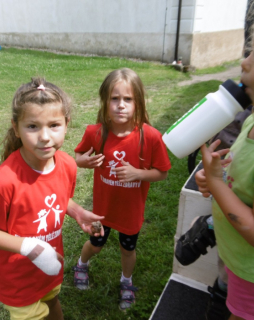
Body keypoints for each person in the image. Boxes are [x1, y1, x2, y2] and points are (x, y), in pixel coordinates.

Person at [0, 77, 104, 320]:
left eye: (53, 125)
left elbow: (56, 199)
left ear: (67, 124)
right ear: (16, 127)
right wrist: (28, 247)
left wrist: (76, 211)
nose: (44, 136)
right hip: (16, 278)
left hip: (48, 268)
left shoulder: (66, 165)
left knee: (52, 300)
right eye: (32, 126)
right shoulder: (2, 182)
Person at [195, 1, 254, 318]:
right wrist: (215, 179)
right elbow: (238, 182)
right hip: (238, 260)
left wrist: (218, 184)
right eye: (250, 52)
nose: (244, 63)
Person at [72, 68, 171, 310]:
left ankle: (126, 281)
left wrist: (138, 173)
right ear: (105, 101)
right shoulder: (95, 132)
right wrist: (82, 161)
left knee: (128, 250)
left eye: (128, 99)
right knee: (94, 243)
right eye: (114, 99)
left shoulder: (151, 136)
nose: (120, 105)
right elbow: (77, 155)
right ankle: (81, 264)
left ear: (138, 102)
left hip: (130, 212)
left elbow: (163, 172)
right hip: (101, 212)